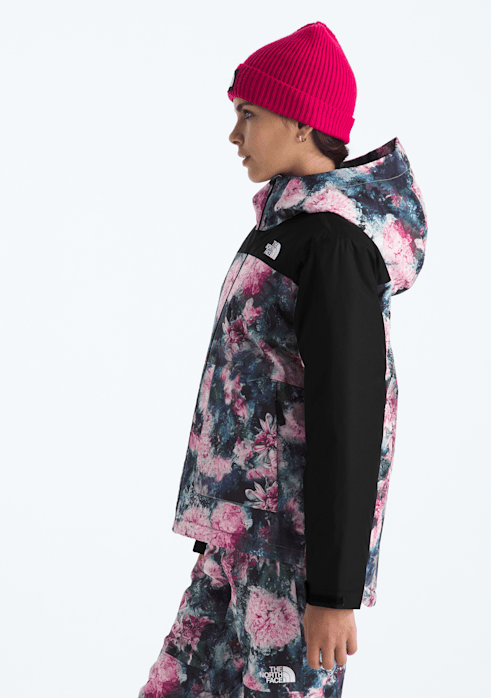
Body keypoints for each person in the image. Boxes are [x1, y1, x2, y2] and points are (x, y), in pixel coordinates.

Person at [138, 20, 427, 698]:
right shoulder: (283, 230)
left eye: (249, 115)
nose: (234, 135)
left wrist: (333, 593)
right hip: (240, 544)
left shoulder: (333, 245)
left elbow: (349, 417)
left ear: (300, 123)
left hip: (291, 565)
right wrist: (221, 529)